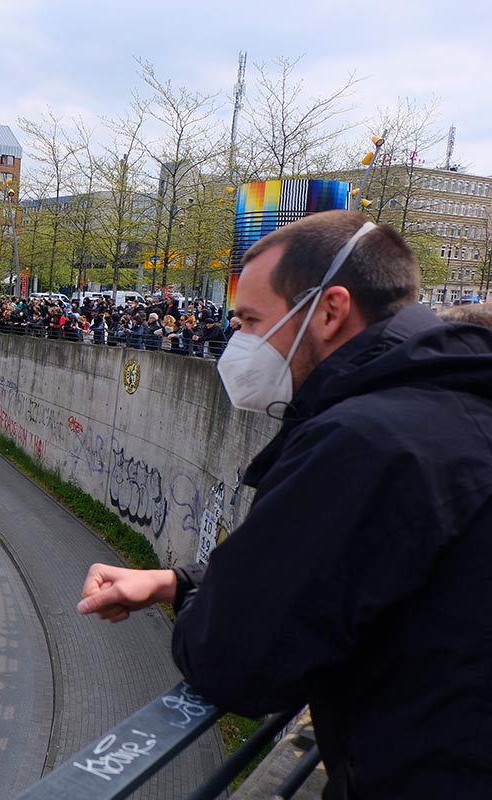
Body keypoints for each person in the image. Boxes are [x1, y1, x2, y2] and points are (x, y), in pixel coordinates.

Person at [76, 211, 492, 799]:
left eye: (250, 321)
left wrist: (207, 602)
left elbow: (234, 660)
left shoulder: (365, 441)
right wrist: (181, 581)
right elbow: (358, 570)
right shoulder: (456, 395)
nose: (238, 342)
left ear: (329, 310)